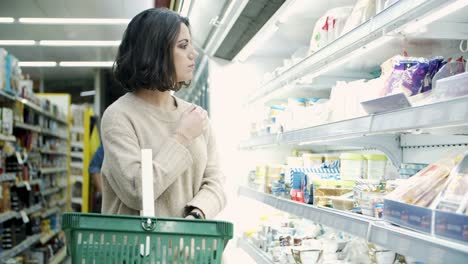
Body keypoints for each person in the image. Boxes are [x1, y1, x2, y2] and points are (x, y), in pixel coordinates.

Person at [100, 8, 226, 220]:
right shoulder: (119, 116)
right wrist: (181, 137)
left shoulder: (196, 115)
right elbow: (136, 192)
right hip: (134, 251)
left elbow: (216, 180)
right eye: (183, 46)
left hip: (189, 249)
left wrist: (198, 214)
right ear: (155, 51)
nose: (193, 53)